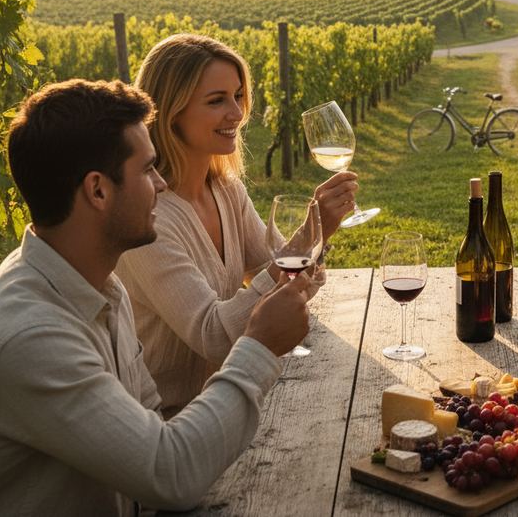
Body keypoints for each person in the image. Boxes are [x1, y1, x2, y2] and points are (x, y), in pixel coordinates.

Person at [0, 79, 312, 515]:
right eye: (147, 169)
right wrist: (258, 347)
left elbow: (149, 419)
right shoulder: (31, 336)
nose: (162, 184)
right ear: (98, 190)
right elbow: (168, 474)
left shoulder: (102, 286)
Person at [115, 33, 358, 415]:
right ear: (171, 112)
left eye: (238, 96)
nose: (237, 113)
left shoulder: (226, 190)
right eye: (217, 101)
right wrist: (314, 231)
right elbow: (214, 336)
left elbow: (294, 280)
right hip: (167, 422)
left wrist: (305, 248)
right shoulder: (150, 220)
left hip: (228, 400)